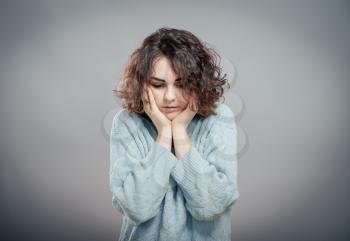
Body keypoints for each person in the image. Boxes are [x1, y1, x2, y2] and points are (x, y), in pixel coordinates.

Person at [110, 27, 240, 241]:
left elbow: (211, 206)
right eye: (158, 85)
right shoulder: (127, 123)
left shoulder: (219, 118)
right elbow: (136, 208)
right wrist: (163, 136)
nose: (170, 97)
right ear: (142, 85)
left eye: (182, 84)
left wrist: (179, 134)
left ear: (198, 84)